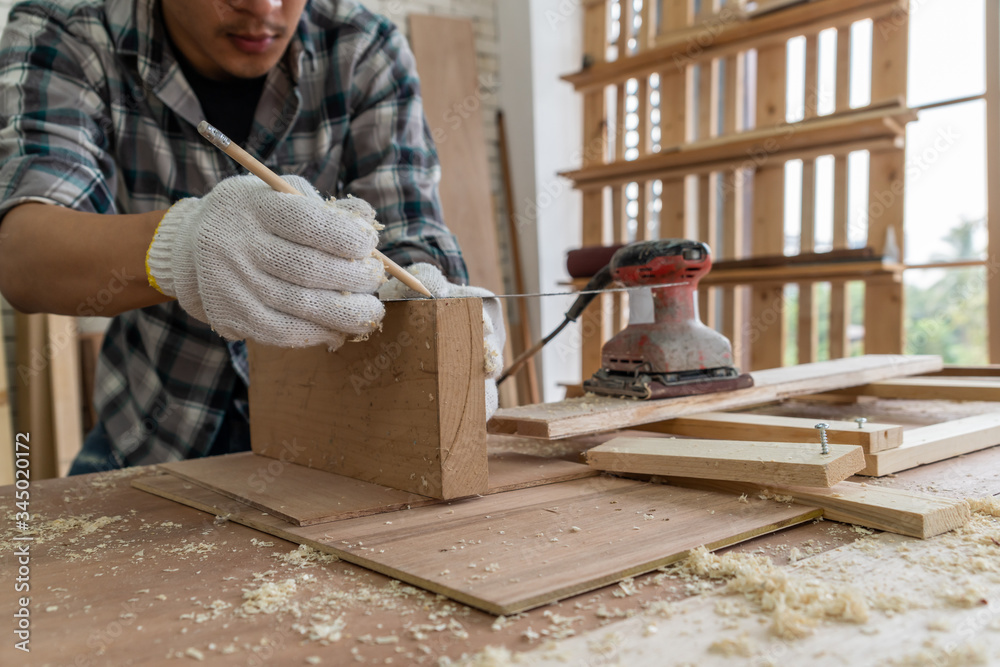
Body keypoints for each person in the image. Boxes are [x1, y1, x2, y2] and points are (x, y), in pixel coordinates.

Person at [0, 0, 503, 474]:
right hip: (152, 431)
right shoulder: (73, 31)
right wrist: (182, 246)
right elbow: (22, 254)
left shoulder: (361, 46)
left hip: (338, 433)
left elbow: (411, 230)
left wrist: (441, 311)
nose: (264, 10)